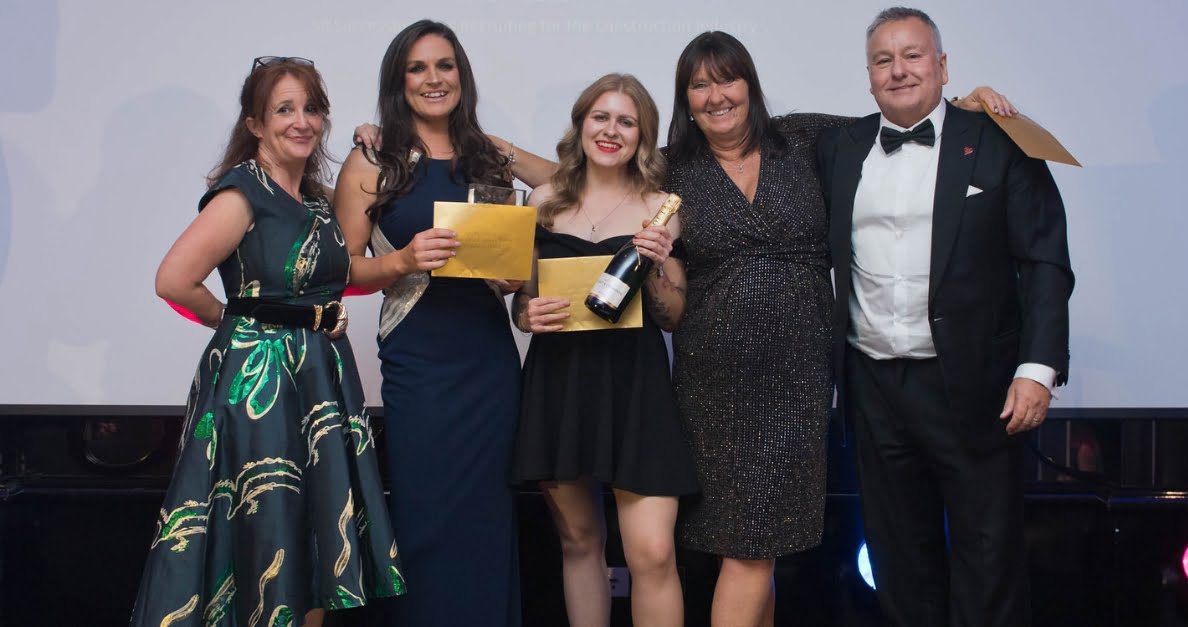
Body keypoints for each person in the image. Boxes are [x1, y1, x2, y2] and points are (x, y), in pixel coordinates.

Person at [662, 31, 1011, 627]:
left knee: (760, 548)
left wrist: (970, 101)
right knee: (747, 548)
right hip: (715, 383)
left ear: (750, 84)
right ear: (685, 98)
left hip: (799, 378)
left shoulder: (804, 137)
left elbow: (901, 114)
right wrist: (507, 155)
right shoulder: (669, 168)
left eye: (727, 78)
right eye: (699, 84)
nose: (716, 95)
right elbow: (588, 169)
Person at [816, 7, 1073, 626]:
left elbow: (1043, 260)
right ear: (868, 74)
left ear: (942, 65)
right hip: (874, 386)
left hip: (975, 385)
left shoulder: (999, 139)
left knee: (989, 559)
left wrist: (1036, 370)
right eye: (884, 59)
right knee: (898, 561)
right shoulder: (835, 146)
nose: (898, 70)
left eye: (913, 55)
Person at [131, 57, 404, 627]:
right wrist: (242, 325)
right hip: (260, 388)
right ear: (255, 123)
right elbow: (173, 281)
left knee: (311, 541)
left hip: (320, 379)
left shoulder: (315, 198)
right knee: (266, 534)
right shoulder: (240, 195)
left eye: (311, 108)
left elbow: (339, 272)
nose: (301, 121)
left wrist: (376, 142)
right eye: (284, 109)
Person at [332, 20, 548, 627]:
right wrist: (400, 260)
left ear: (462, 75)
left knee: (485, 516)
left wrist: (511, 273)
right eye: (418, 68)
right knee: (425, 518)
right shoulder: (373, 160)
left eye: (445, 65)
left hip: (486, 361)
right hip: (419, 363)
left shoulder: (487, 159)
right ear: (398, 82)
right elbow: (342, 272)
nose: (434, 79)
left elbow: (561, 184)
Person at [511, 73, 698, 627]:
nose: (611, 130)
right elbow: (522, 303)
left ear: (643, 136)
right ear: (581, 125)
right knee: (579, 545)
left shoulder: (661, 207)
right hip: (559, 384)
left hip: (635, 387)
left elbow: (673, 315)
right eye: (601, 117)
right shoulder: (542, 202)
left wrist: (660, 265)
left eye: (626, 121)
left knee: (653, 554)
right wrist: (526, 315)